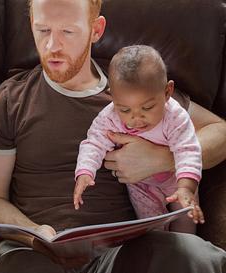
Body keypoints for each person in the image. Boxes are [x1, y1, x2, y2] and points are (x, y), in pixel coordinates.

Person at [0, 0, 226, 272]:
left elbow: (220, 131)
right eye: (43, 30)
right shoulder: (9, 100)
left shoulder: (134, 88)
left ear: (96, 29)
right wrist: (34, 233)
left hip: (120, 254)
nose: (52, 47)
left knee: (191, 255)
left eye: (67, 32)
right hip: (35, 253)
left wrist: (163, 159)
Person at [74, 45, 204, 234]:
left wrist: (186, 187)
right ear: (113, 96)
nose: (136, 119)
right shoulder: (110, 116)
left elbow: (188, 150)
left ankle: (185, 244)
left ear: (167, 92)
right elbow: (93, 143)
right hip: (142, 185)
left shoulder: (175, 117)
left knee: (186, 221)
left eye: (148, 108)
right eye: (125, 110)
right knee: (152, 228)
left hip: (177, 178)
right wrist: (85, 172)